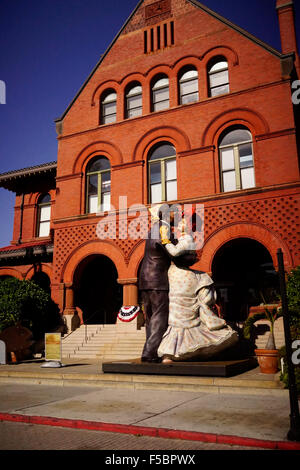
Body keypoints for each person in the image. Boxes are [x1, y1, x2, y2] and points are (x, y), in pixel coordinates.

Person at [157, 216, 239, 362]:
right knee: (177, 310)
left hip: (181, 275)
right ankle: (170, 352)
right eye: (179, 224)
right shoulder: (183, 239)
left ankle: (172, 353)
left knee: (185, 308)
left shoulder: (188, 238)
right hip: (176, 274)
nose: (179, 227)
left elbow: (175, 252)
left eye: (183, 224)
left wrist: (165, 240)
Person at [138, 205, 196, 363]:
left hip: (146, 279)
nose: (176, 215)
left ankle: (151, 351)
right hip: (157, 280)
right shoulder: (163, 228)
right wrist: (190, 257)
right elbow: (171, 252)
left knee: (151, 317)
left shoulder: (154, 228)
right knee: (159, 317)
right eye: (174, 213)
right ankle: (149, 353)